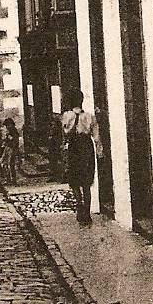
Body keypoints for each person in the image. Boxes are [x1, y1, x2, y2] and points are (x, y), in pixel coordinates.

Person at [62, 89, 102, 226]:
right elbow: (96, 136)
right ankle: (87, 212)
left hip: (74, 147)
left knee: (74, 180)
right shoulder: (90, 116)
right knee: (86, 182)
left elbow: (66, 131)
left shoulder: (67, 115)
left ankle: (79, 206)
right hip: (86, 147)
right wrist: (99, 152)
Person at [1, 118, 21, 185]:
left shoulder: (14, 132)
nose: (7, 127)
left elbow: (15, 142)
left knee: (10, 165)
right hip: (7, 148)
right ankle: (8, 179)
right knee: (4, 164)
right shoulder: (9, 132)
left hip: (12, 149)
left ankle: (13, 180)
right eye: (6, 126)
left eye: (8, 125)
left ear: (11, 125)